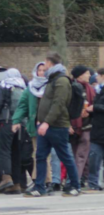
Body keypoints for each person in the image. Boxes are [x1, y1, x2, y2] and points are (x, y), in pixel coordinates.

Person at [26, 52, 81, 197]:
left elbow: (59, 104)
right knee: (40, 156)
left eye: (45, 64)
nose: (43, 68)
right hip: (45, 125)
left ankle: (75, 186)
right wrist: (41, 121)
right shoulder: (51, 80)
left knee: (65, 156)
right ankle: (39, 187)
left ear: (50, 63)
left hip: (57, 126)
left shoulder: (61, 81)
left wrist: (46, 122)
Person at [12, 62, 56, 193]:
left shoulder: (51, 86)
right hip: (35, 126)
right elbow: (23, 106)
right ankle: (43, 181)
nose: (41, 73)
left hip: (49, 125)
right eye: (39, 70)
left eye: (44, 70)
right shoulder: (30, 88)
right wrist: (16, 120)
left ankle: (42, 181)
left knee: (43, 155)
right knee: (39, 154)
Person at [0, 69, 27, 194]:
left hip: (7, 122)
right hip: (21, 125)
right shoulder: (23, 88)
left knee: (4, 151)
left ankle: (6, 178)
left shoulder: (5, 87)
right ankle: (17, 184)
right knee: (16, 153)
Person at [68, 65, 95, 187]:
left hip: (87, 126)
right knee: (76, 154)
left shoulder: (90, 89)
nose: (90, 75)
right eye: (87, 73)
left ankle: (77, 180)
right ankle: (76, 180)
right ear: (80, 75)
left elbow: (95, 104)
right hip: (74, 125)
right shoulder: (72, 88)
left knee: (81, 154)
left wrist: (91, 109)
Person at [85, 69, 104, 192]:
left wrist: (94, 108)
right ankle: (92, 182)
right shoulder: (99, 91)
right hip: (98, 130)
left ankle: (94, 182)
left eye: (98, 76)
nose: (96, 78)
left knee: (95, 157)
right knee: (94, 158)